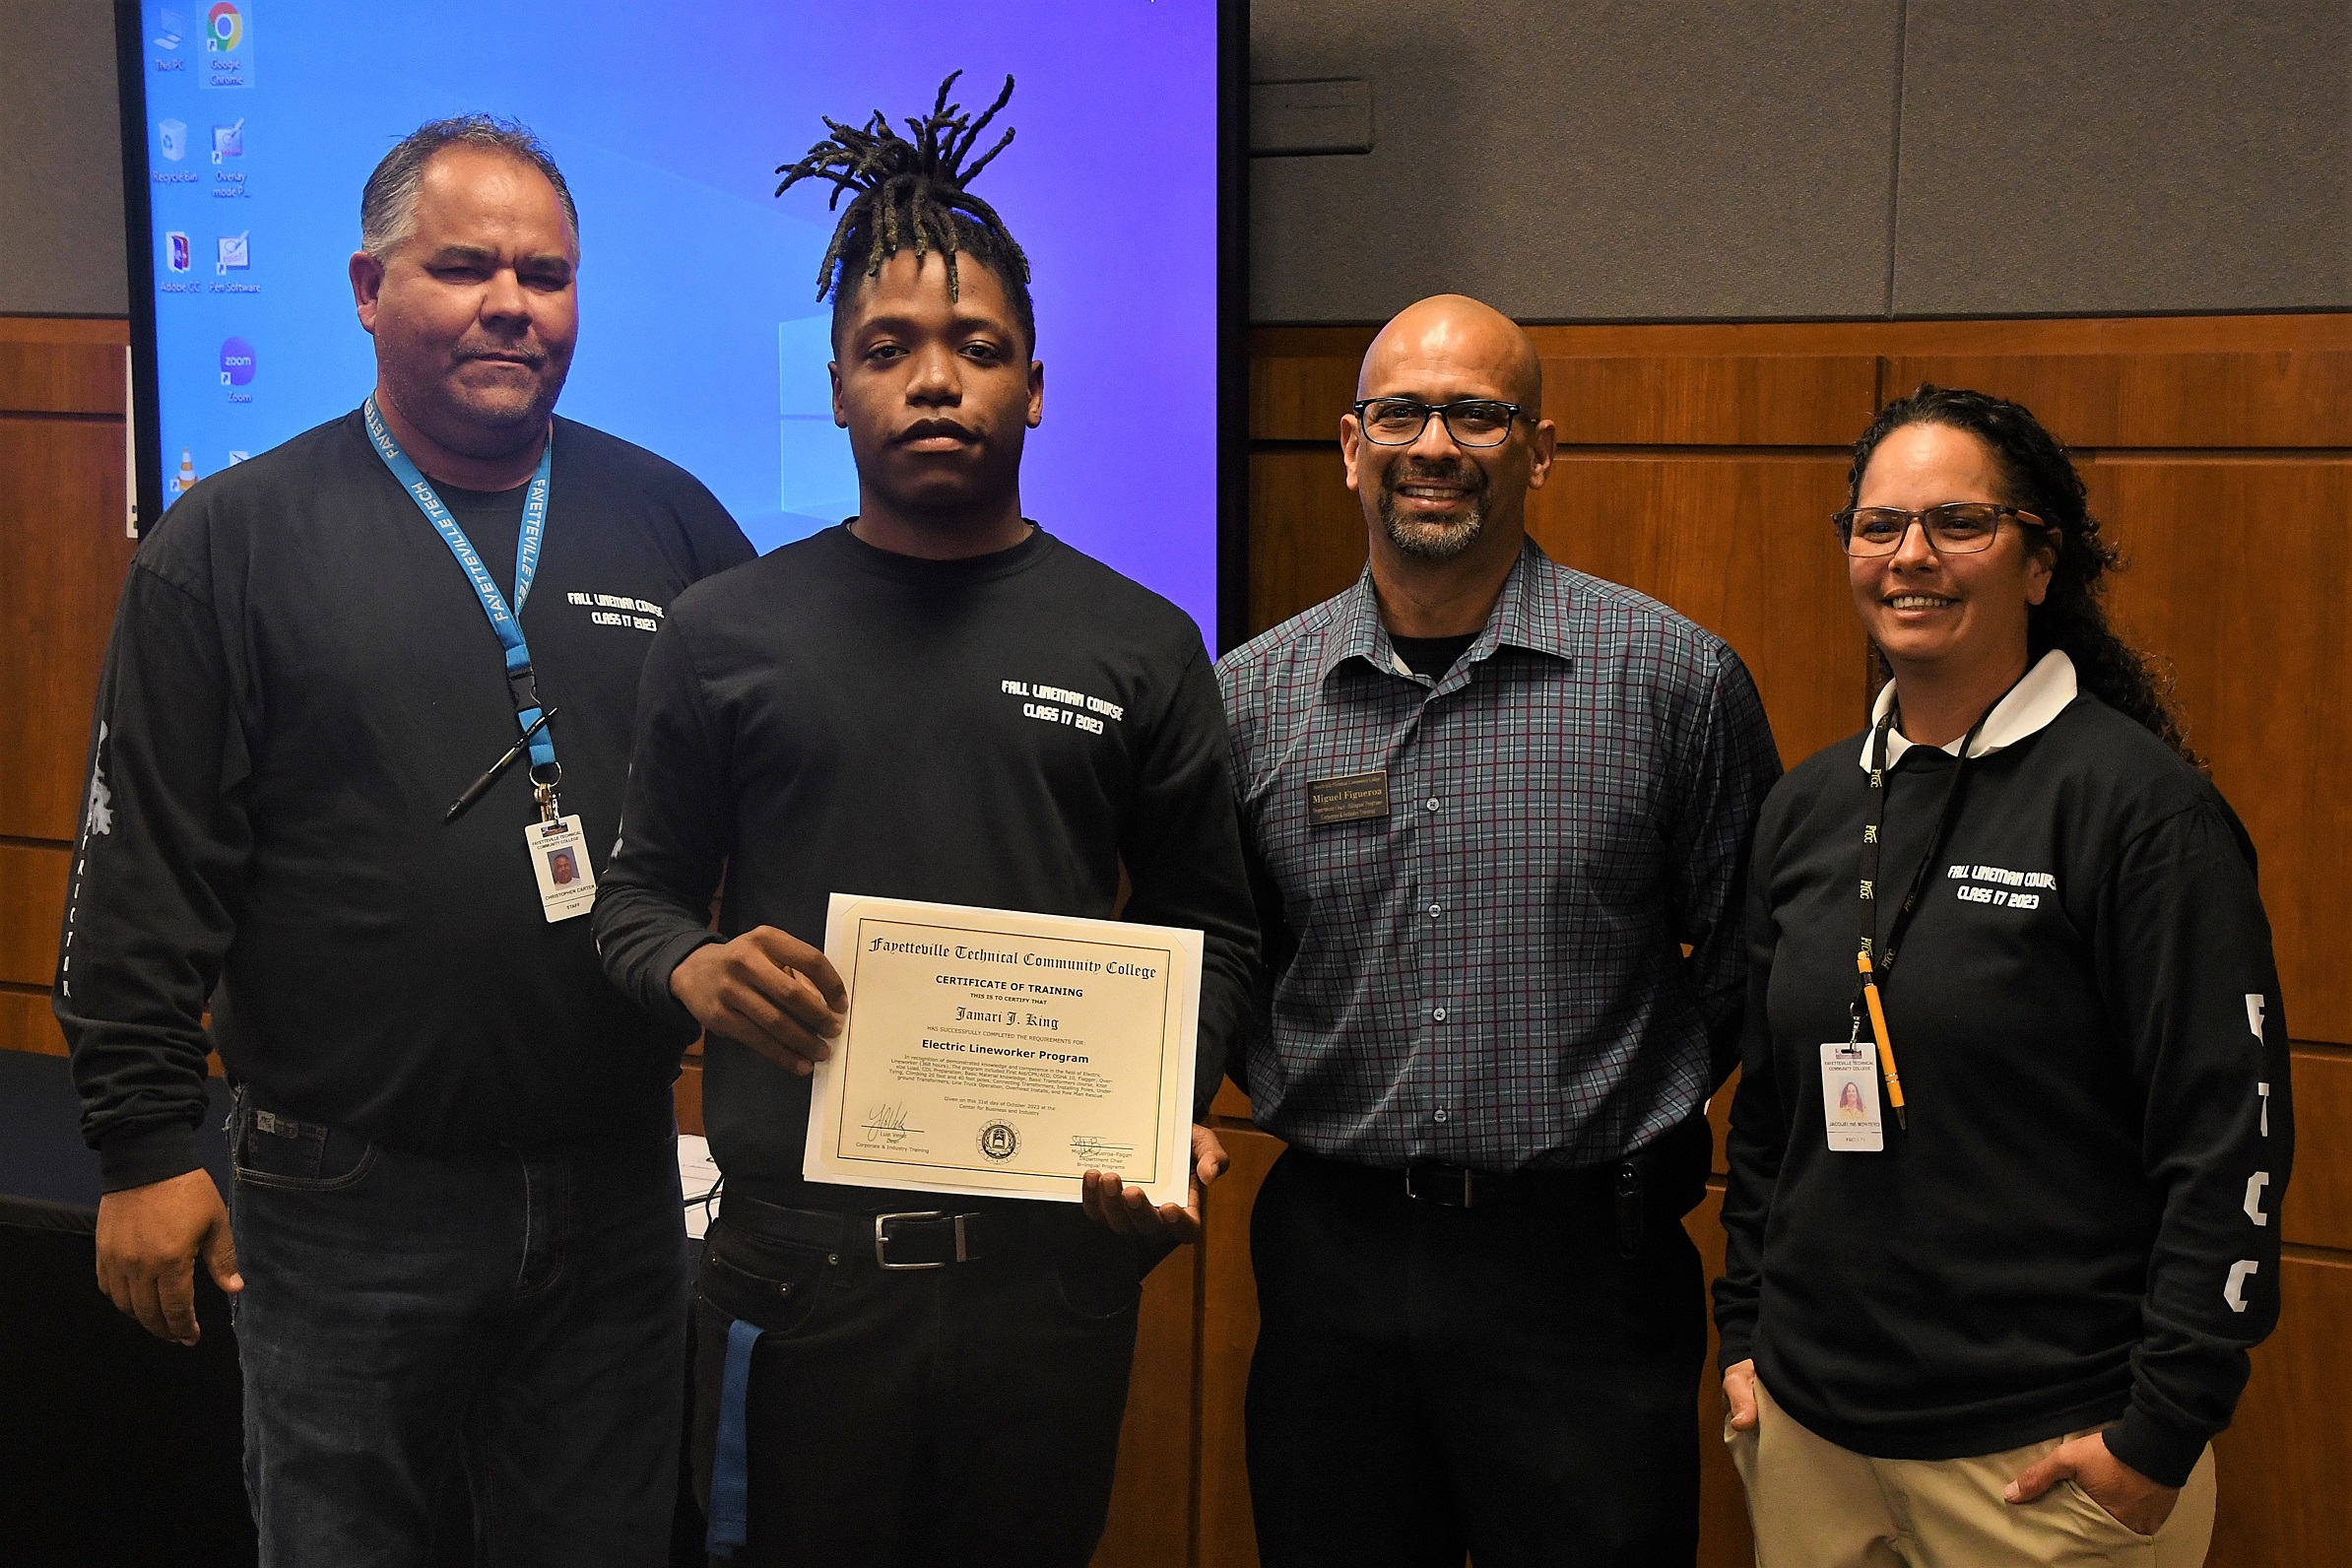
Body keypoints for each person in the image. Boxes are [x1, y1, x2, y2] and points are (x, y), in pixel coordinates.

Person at [56, 116, 754, 1564]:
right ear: (370, 290)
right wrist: (136, 1147)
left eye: (547, 274)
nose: (514, 301)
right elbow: (145, 862)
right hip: (343, 1197)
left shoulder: (677, 527)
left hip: (615, 1180)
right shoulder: (231, 543)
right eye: (466, 266)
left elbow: (768, 813)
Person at [590, 75, 1256, 1567]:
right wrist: (693, 974)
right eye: (888, 349)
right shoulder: (722, 631)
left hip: (1050, 1284)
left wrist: (1166, 1107)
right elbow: (633, 904)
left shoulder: (1141, 643)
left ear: (1036, 383)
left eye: (979, 348)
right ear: (833, 385)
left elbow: (1215, 923)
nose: (936, 380)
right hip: (794, 1286)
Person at [1217, 294, 1782, 1568]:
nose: (1436, 444)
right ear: (1350, 446)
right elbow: (1226, 955)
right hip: (1333, 1256)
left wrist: (1630, 1093)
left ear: (1541, 448)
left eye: (1478, 412)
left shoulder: (1672, 682)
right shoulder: (1250, 701)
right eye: (1401, 413)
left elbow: (1751, 957)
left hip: (1585, 1266)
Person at [1714, 385, 2294, 1566]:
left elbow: (2226, 1139)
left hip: (2040, 1464)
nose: (1909, 556)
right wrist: (1745, 1336)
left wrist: (2160, 1429)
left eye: (1957, 523)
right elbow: (1773, 1111)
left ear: (2040, 563)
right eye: (1877, 526)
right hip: (1812, 1439)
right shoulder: (1813, 803)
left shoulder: (2139, 811)